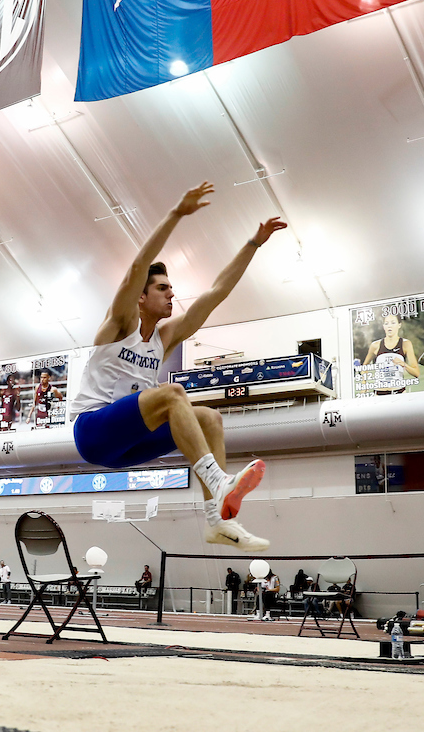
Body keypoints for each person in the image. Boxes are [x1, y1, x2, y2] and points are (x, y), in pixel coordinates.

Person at [69, 182, 285, 551]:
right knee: (172, 394)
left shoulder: (163, 337)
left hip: (127, 445)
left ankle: (217, 523)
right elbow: (137, 266)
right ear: (141, 295)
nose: (172, 293)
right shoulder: (120, 323)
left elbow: (217, 292)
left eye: (172, 288)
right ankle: (219, 483)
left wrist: (254, 244)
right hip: (93, 432)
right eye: (163, 288)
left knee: (209, 419)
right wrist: (176, 214)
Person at [363, 314, 420, 395]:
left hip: (399, 392)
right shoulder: (375, 345)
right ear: (383, 326)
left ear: (399, 325)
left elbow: (416, 373)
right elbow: (364, 367)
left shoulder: (405, 344)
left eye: (393, 323)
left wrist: (403, 364)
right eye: (386, 323)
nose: (389, 326)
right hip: (379, 393)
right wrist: (364, 387)